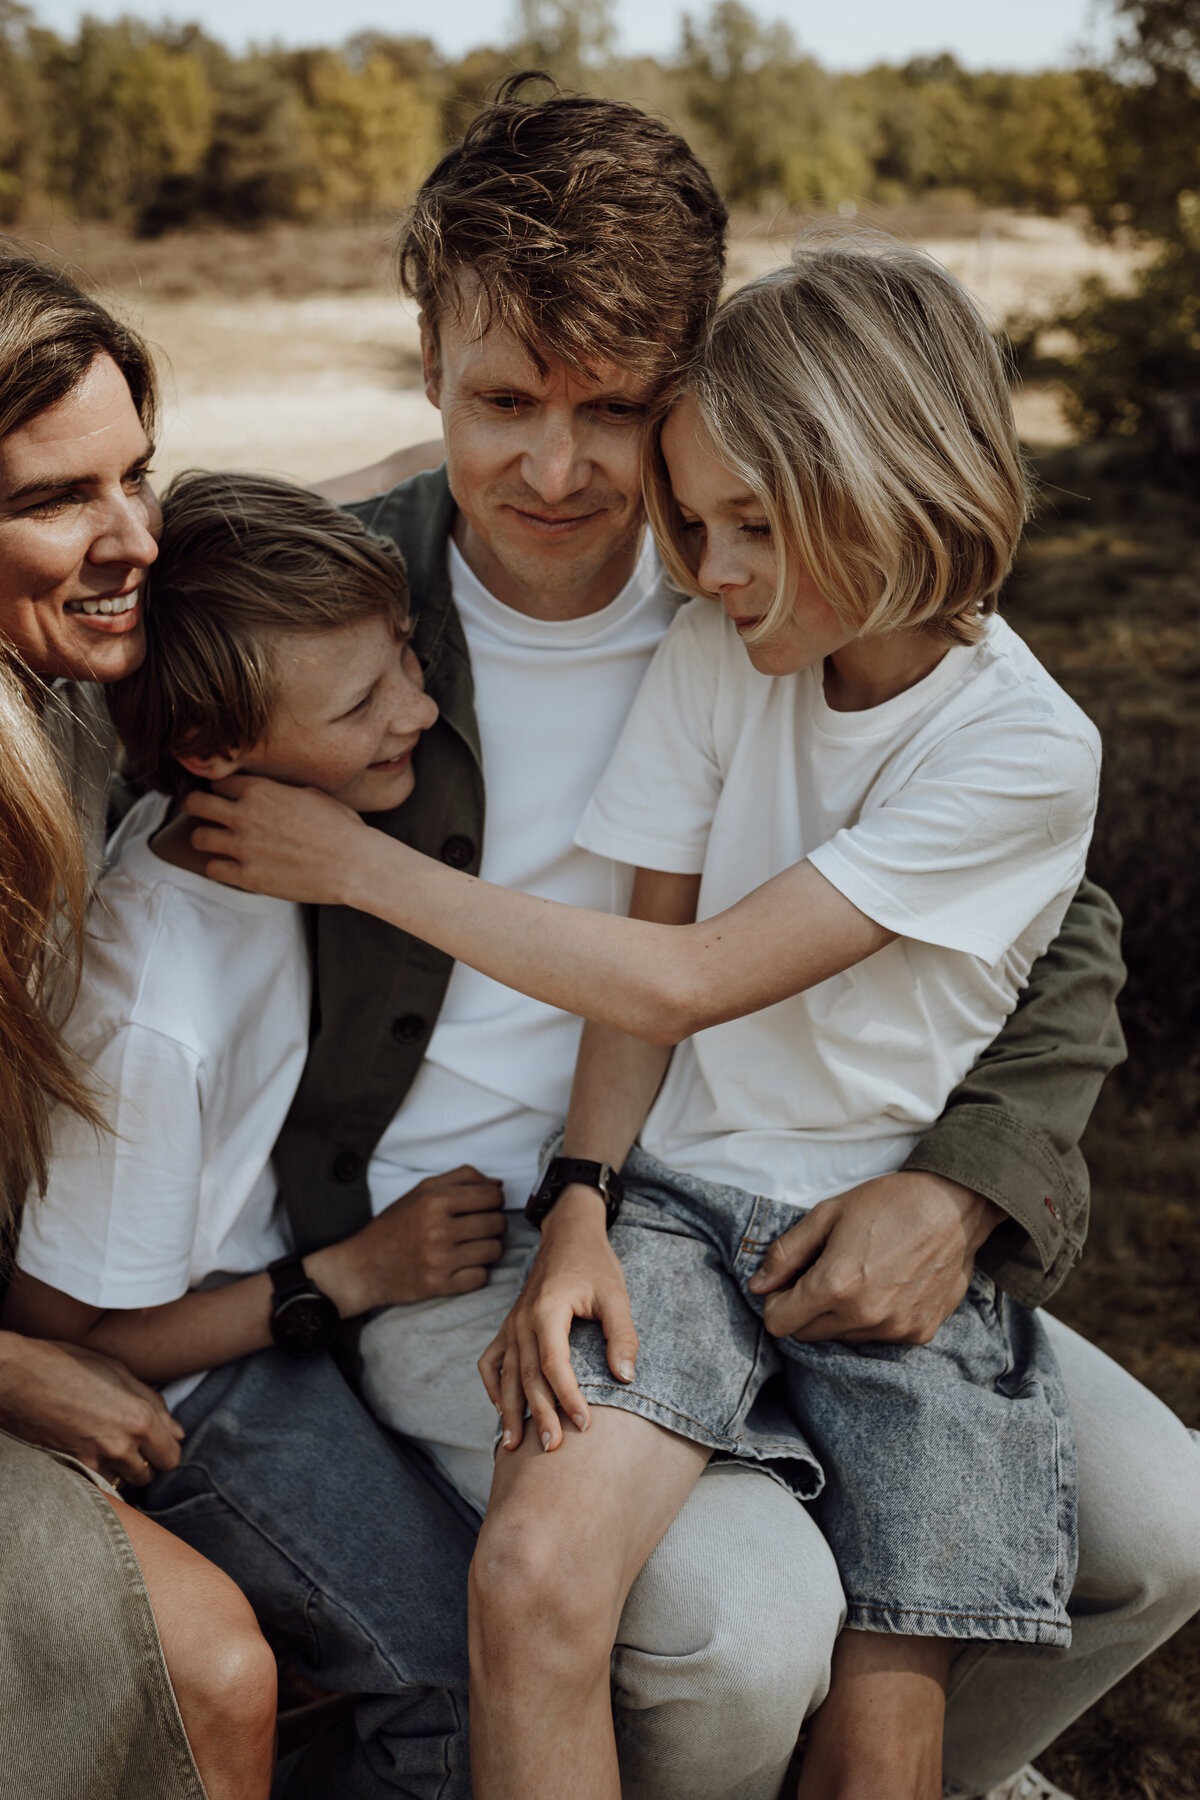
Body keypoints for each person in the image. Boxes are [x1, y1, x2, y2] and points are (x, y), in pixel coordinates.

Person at [180, 83, 1200, 1800]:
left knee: (1165, 1532)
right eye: (502, 401)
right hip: (475, 1232)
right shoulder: (324, 606)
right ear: (426, 360)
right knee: (743, 1627)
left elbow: (1061, 923)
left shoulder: (768, 577)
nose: (559, 470)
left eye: (616, 411)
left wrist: (964, 1184)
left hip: (787, 1169)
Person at [4, 468, 486, 1791]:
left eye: (404, 661)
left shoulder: (257, 836)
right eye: (363, 707)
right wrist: (352, 1276)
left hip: (265, 1323)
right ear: (216, 753)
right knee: (458, 1671)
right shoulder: (154, 1016)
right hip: (202, 1387)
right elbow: (74, 1344)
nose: (421, 712)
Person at [0, 249, 276, 1800]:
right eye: (58, 498)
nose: (134, 542)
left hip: (86, 1313)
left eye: (140, 476)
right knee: (213, 1668)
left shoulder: (87, 704)